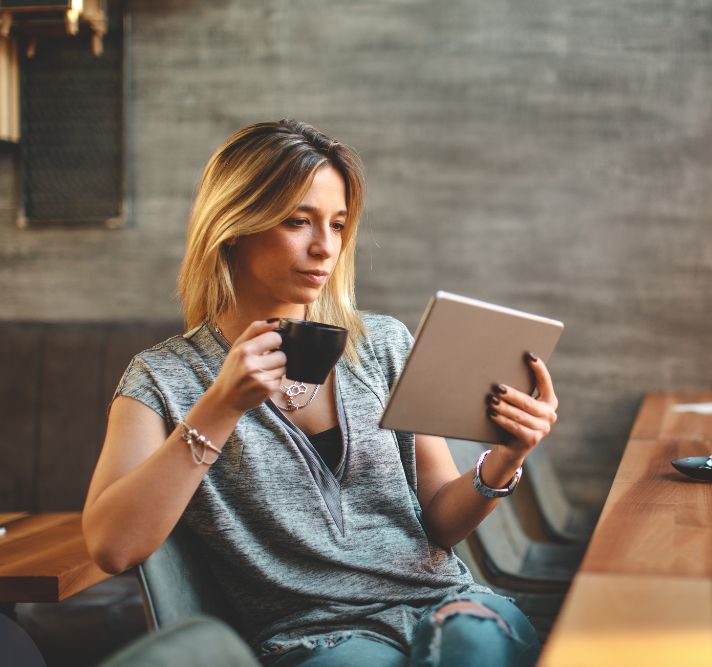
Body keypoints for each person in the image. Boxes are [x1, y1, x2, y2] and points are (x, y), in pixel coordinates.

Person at [82, 120, 559, 667]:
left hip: (444, 604)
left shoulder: (381, 346)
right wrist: (220, 407)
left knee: (472, 642)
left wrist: (504, 459)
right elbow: (113, 547)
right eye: (297, 222)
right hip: (315, 638)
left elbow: (440, 520)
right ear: (234, 225)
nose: (324, 247)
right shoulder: (163, 380)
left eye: (337, 225)